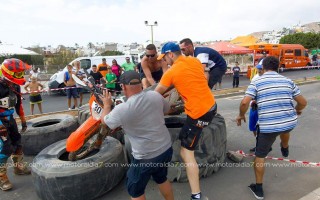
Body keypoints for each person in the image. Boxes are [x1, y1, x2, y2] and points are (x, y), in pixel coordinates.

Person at [236, 56, 307, 199]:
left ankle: (259, 189)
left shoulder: (257, 81)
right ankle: (285, 147)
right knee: (284, 129)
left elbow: (244, 103)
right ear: (278, 67)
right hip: (289, 123)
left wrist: (240, 115)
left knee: (260, 157)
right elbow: (303, 102)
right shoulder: (288, 81)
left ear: (263, 68)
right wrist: (297, 109)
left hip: (268, 126)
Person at [156, 42, 217, 200]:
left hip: (199, 113)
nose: (164, 61)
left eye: (164, 58)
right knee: (186, 146)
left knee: (186, 152)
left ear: (170, 54)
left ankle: (196, 195)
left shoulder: (172, 71)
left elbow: (155, 94)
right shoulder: (194, 60)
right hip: (210, 105)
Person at [100, 71, 174, 200]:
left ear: (123, 87)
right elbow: (167, 110)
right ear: (141, 83)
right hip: (165, 148)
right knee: (161, 178)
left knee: (135, 191)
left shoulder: (122, 109)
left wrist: (106, 105)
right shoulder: (155, 95)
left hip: (145, 157)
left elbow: (105, 122)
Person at [0, 58, 31, 191]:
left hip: (10, 119)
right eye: (18, 74)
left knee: (17, 143)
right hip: (0, 121)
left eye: (21, 73)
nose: (21, 76)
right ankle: (2, 177)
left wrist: (23, 119)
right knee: (4, 149)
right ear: (7, 72)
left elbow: (18, 104)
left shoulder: (14, 85)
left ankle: (18, 167)